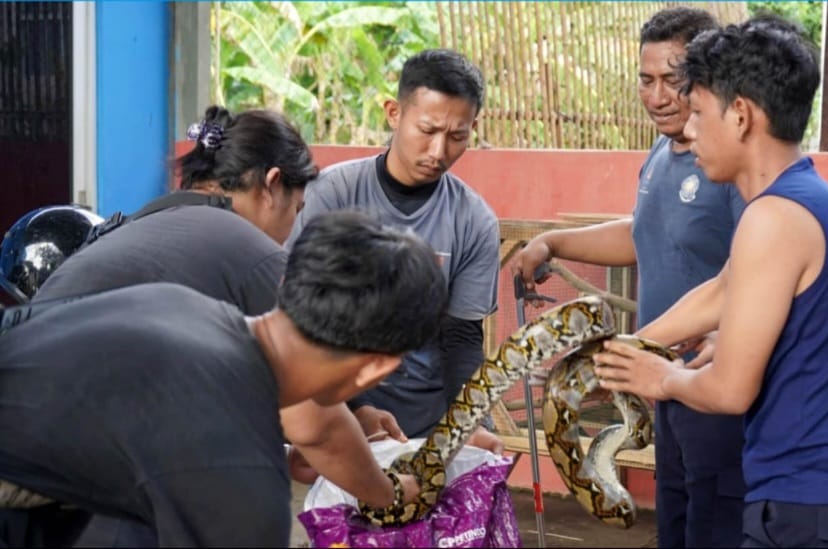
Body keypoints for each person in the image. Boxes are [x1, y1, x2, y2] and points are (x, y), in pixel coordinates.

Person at [593, 15, 828, 548]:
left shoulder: (775, 218)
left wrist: (660, 377)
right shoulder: (795, 198)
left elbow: (728, 389)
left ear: (741, 116)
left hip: (823, 510)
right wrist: (627, 348)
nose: (690, 129)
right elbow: (722, 291)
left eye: (698, 112)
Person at [20, 106, 407, 546]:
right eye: (296, 211)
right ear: (272, 184)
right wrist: (388, 492)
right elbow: (315, 422)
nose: (288, 231)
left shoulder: (142, 230)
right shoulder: (249, 249)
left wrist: (282, 453)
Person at [0, 210, 448, 547]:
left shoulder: (181, 305)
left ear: (289, 279)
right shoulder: (241, 482)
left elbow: (315, 426)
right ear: (377, 368)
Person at [509, 8, 745, 547]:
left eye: (673, 79)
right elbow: (646, 232)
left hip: (717, 381)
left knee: (718, 525)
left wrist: (727, 331)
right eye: (646, 79)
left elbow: (760, 270)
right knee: (675, 519)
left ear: (706, 75)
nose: (658, 95)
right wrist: (555, 240)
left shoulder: (730, 166)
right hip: (657, 380)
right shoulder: (663, 151)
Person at [286, 48, 502, 452]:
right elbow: (302, 316)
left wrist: (467, 421)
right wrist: (355, 408)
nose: (439, 152)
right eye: (428, 130)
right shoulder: (333, 194)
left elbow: (461, 338)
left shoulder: (474, 220)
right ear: (393, 113)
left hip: (430, 422)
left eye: (457, 136)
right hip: (334, 410)